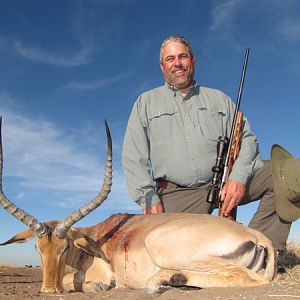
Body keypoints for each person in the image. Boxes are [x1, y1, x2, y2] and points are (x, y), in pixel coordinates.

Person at [122, 35, 291, 252]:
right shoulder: (145, 103)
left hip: (225, 182)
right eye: (170, 59)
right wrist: (148, 197)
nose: (177, 63)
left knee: (288, 174)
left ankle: (261, 252)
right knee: (171, 254)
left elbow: (247, 139)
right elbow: (133, 157)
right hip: (177, 194)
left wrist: (238, 178)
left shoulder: (219, 98)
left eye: (183, 56)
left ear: (193, 60)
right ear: (162, 66)